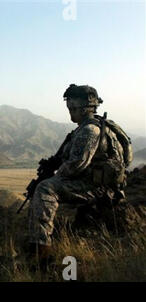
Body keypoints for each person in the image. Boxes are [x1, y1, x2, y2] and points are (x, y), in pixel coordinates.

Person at [27, 84, 132, 259]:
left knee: (45, 189)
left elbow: (76, 166)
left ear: (85, 108)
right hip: (100, 184)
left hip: (98, 188)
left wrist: (54, 176)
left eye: (73, 108)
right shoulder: (93, 126)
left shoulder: (89, 130)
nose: (70, 112)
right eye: (69, 107)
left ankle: (40, 250)